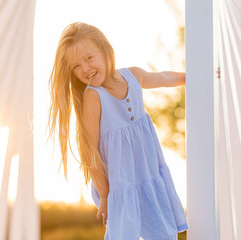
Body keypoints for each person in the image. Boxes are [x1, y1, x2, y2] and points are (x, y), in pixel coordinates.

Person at [47, 22, 189, 240]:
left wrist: (189, 77)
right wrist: (104, 194)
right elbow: (89, 151)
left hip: (148, 174)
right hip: (121, 185)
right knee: (123, 235)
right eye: (76, 66)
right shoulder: (94, 97)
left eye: (89, 58)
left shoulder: (134, 76)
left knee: (163, 234)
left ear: (105, 50)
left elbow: (163, 78)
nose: (85, 69)